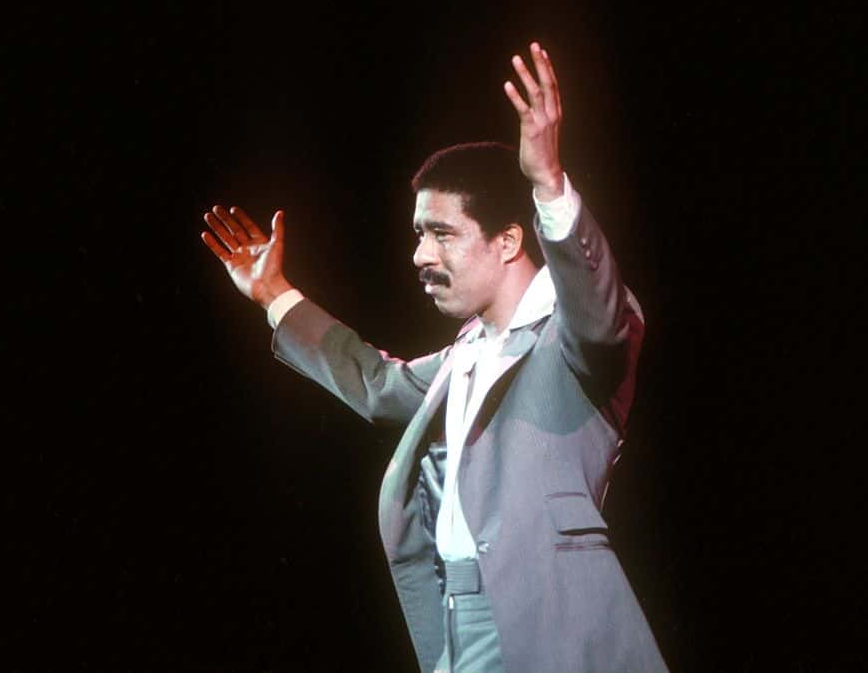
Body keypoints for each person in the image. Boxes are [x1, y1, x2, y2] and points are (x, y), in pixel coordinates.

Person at [200, 42, 668, 673]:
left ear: (508, 241)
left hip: (550, 622)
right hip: (460, 621)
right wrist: (275, 294)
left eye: (441, 233)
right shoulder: (466, 354)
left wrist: (550, 186)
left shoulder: (580, 339)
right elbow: (375, 383)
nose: (421, 256)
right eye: (421, 234)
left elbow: (598, 311)